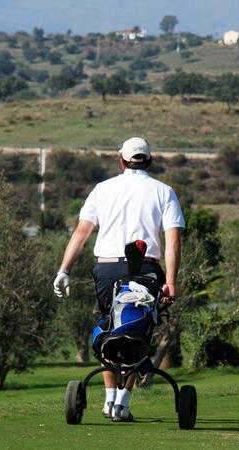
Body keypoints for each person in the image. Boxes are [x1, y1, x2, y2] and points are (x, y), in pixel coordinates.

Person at [53, 137, 184, 422]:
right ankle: (122, 404)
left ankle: (110, 399)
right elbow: (172, 240)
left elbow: (81, 232)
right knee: (139, 329)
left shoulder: (103, 189)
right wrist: (171, 280)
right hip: (146, 271)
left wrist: (64, 269)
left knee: (109, 325)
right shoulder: (164, 191)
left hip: (107, 270)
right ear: (149, 161)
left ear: (121, 160)